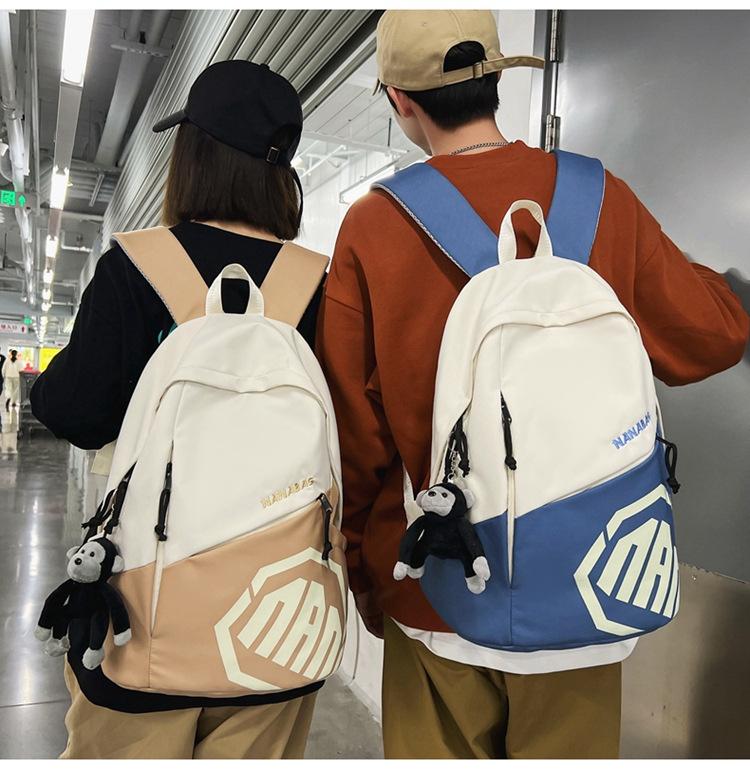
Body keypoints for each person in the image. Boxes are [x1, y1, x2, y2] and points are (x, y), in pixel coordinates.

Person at [316, 9, 750, 760]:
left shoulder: (373, 226)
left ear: (399, 101)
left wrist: (367, 573)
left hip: (436, 587)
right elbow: (712, 334)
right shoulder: (599, 196)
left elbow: (355, 436)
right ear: (495, 78)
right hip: (585, 592)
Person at [31, 60, 324, 760]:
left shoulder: (136, 265)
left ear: (193, 156)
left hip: (144, 611)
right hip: (276, 618)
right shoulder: (318, 282)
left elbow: (76, 411)